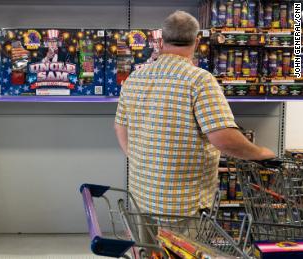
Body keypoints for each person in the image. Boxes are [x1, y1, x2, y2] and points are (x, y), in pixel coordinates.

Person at [114, 10, 275, 247]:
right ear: (197, 41)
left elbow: (120, 126)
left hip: (141, 197)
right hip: (181, 205)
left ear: (161, 40)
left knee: (148, 253)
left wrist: (138, 158)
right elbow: (224, 139)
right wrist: (262, 153)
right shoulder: (199, 80)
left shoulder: (135, 78)